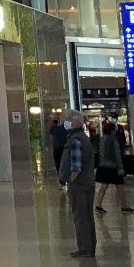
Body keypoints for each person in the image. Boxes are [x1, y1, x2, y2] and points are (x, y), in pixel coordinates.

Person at [56, 110, 95, 257]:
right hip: (87, 182)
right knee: (87, 215)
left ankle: (85, 248)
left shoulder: (75, 140)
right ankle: (90, 247)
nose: (64, 123)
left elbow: (76, 165)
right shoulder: (82, 137)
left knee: (80, 217)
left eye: (66, 120)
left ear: (74, 121)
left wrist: (71, 179)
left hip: (79, 184)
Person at [94, 118, 125, 213]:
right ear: (113, 130)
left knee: (104, 185)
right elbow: (117, 154)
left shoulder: (101, 139)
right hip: (113, 166)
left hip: (103, 166)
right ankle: (124, 205)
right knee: (119, 186)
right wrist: (121, 168)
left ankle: (98, 204)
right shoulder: (113, 139)